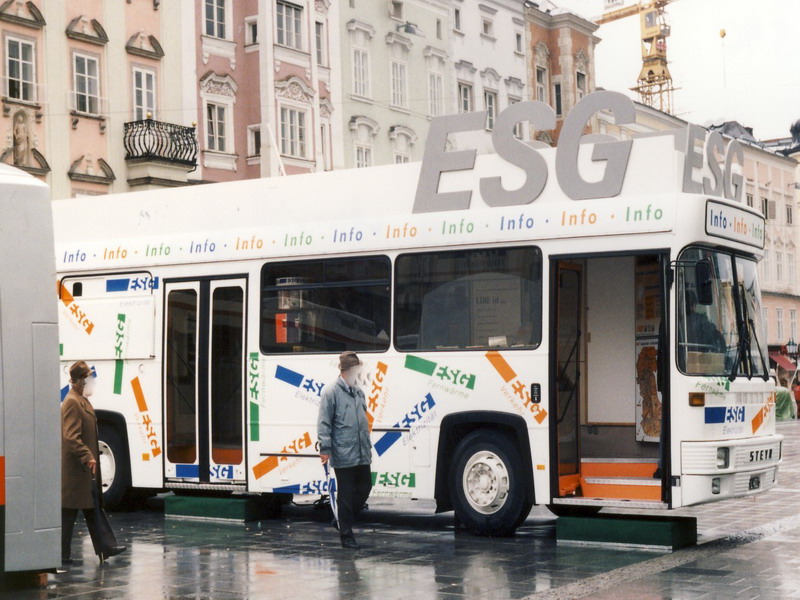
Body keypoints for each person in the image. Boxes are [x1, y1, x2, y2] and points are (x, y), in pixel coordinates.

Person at [61, 361, 126, 564]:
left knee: (93, 508)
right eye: (89, 378)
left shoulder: (82, 400)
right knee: (69, 515)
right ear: (80, 381)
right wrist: (87, 455)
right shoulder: (72, 402)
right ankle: (62, 554)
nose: (92, 382)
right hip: (77, 470)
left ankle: (105, 548)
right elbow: (71, 436)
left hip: (84, 471)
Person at [317, 351, 373, 549]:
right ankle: (346, 535)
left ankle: (342, 519)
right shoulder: (331, 392)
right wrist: (325, 448)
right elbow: (324, 423)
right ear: (347, 371)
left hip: (361, 451)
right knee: (346, 495)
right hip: (343, 452)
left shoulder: (358, 391)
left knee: (366, 487)